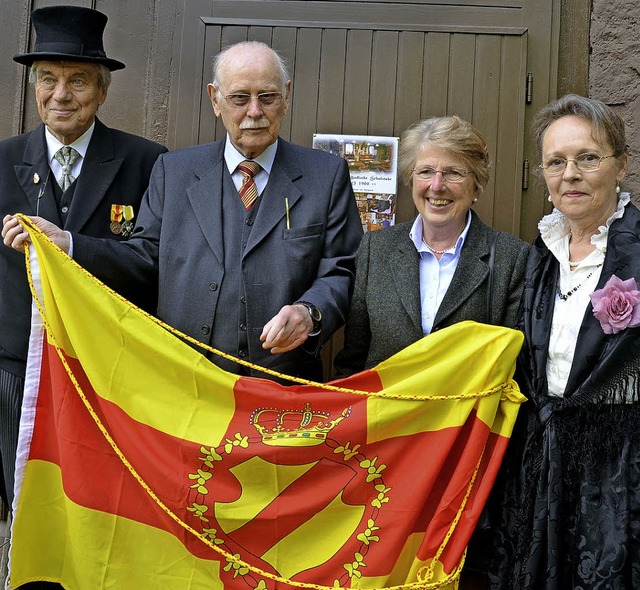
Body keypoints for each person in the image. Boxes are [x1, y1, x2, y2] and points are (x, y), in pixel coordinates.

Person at [3, 41, 363, 384]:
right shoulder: (173, 171)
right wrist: (68, 243)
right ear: (215, 100)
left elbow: (344, 270)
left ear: (285, 96)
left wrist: (310, 312)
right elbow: (142, 258)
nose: (254, 112)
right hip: (182, 390)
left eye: (267, 97)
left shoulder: (325, 175)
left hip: (284, 386)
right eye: (239, 98)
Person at [0, 5, 166, 514]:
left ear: (102, 90)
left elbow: (153, 261)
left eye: (77, 81)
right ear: (33, 86)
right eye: (47, 79)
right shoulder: (1, 161)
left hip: (105, 368)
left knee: (97, 505)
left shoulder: (148, 161)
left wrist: (71, 244)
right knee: (24, 502)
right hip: (14, 369)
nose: (60, 95)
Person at [484, 94, 640, 589]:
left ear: (622, 166)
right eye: (557, 162)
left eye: (587, 158)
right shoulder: (541, 253)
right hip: (542, 462)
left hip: (620, 471)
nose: (569, 174)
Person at [334, 115, 528, 375]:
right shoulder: (375, 250)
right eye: (426, 171)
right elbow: (353, 361)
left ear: (476, 185)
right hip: (386, 412)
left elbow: (514, 369)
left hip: (466, 415)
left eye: (453, 173)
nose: (437, 186)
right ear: (411, 178)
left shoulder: (511, 258)